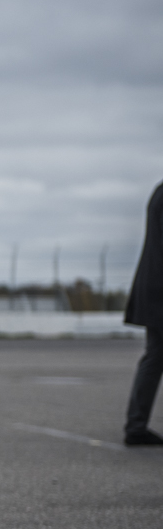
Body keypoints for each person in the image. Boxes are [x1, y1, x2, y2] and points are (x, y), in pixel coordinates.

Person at [124, 180, 163, 445]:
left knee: (154, 357)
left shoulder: (159, 192)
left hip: (153, 286)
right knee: (154, 358)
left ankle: (136, 425)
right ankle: (136, 425)